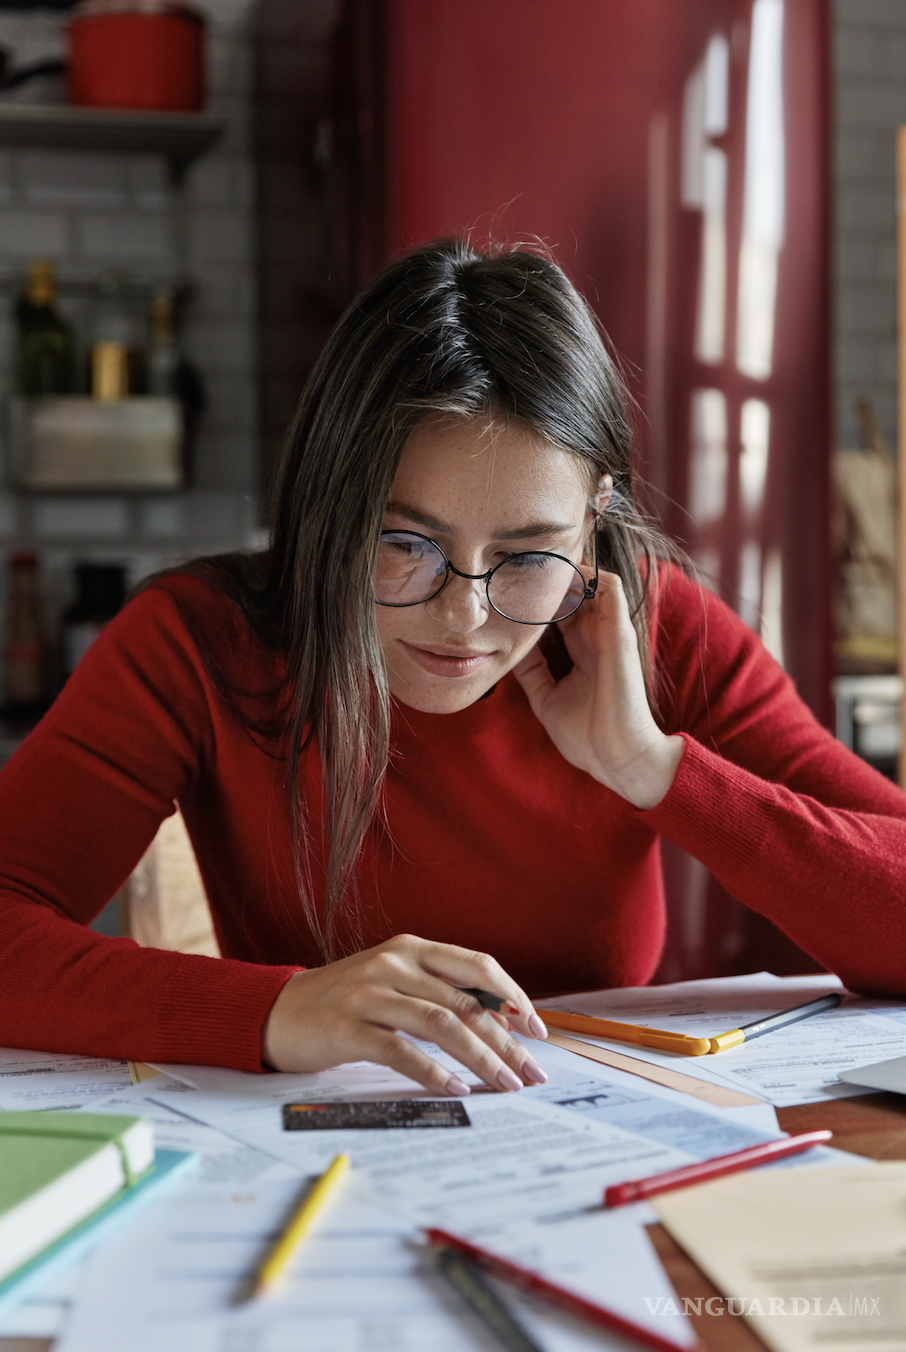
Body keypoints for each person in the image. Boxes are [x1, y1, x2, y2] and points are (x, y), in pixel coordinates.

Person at [2, 238, 906, 1098]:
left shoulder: (653, 630)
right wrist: (275, 1009)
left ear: (594, 519)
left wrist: (652, 767)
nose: (464, 616)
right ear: (329, 508)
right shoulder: (199, 642)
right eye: (405, 544)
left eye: (527, 555)